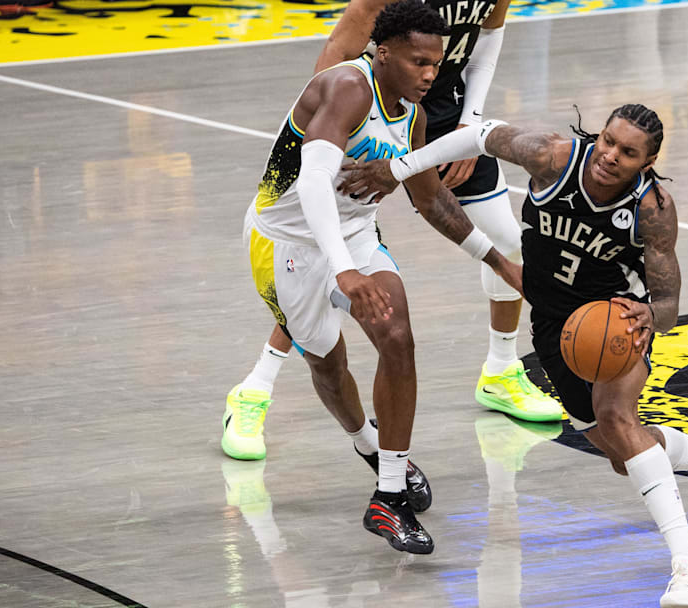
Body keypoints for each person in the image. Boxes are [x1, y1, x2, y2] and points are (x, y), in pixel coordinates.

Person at [344, 104, 688, 607]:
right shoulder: (551, 156)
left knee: (619, 422)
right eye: (608, 140)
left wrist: (651, 316)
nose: (610, 155)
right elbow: (479, 135)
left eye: (627, 152)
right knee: (620, 453)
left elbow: (670, 301)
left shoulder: (652, 209)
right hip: (552, 325)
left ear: (647, 162)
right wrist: (400, 169)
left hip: (612, 323)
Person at [222, 0, 563, 465]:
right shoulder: (347, 85)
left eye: (435, 65)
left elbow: (431, 200)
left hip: (380, 192)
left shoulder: (416, 114)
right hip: (290, 232)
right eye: (422, 64)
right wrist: (335, 128)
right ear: (382, 54)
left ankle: (395, 477)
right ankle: (295, 407)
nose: (430, 73)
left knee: (401, 334)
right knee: (325, 355)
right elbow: (316, 167)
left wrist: (502, 268)